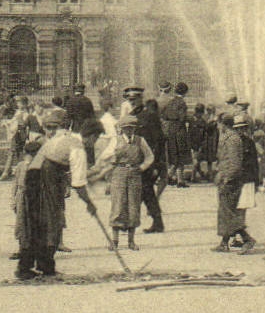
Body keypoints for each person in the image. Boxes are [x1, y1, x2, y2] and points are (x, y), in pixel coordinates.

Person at [15, 107, 97, 281]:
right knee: (50, 221)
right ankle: (35, 267)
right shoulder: (78, 147)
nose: (94, 144)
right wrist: (90, 203)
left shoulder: (62, 137)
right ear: (91, 136)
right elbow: (78, 183)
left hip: (36, 176)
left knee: (38, 222)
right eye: (95, 139)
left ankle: (40, 266)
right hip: (44, 178)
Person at [90, 114, 154, 251]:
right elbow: (104, 156)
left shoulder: (140, 141)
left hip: (135, 175)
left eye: (131, 128)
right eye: (126, 128)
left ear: (134, 129)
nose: (129, 131)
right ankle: (115, 240)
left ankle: (131, 241)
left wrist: (141, 167)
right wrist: (104, 167)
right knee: (118, 205)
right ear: (121, 129)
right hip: (119, 173)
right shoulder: (115, 141)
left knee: (133, 206)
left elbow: (149, 157)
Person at [212, 114, 259, 253]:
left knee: (227, 212)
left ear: (222, 124)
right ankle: (224, 243)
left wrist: (226, 178)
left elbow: (234, 164)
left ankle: (247, 239)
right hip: (228, 178)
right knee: (226, 211)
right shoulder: (230, 137)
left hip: (231, 180)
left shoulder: (232, 139)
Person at [133, 90, 167, 234]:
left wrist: (154, 164)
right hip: (140, 161)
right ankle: (156, 222)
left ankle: (131, 221)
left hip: (148, 162)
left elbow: (158, 142)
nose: (132, 101)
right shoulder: (135, 116)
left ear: (141, 99)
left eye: (135, 99)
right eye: (130, 99)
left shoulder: (149, 117)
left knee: (145, 191)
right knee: (145, 192)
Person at [162, 82, 191, 187]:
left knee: (174, 155)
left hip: (171, 130)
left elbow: (164, 116)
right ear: (185, 92)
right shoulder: (182, 103)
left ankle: (172, 177)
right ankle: (179, 180)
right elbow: (183, 118)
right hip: (179, 130)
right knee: (181, 155)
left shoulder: (171, 102)